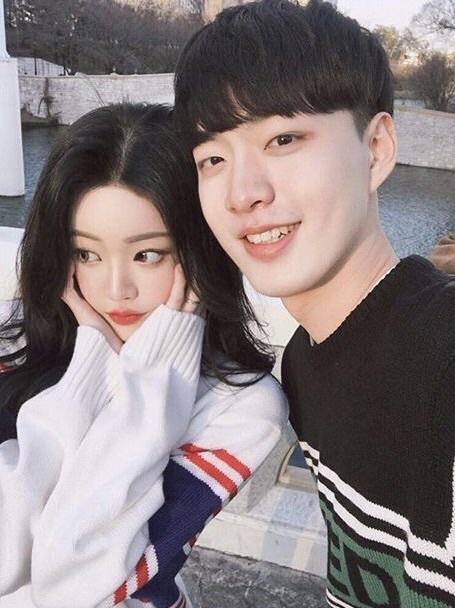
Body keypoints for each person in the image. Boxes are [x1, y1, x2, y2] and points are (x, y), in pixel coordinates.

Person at [173, 1, 455, 606]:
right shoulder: (304, 362)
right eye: (213, 158)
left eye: (283, 138)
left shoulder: (442, 358)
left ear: (376, 149)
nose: (244, 194)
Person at [0, 103, 288, 607]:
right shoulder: (15, 341)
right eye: (87, 254)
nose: (116, 289)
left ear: (201, 250)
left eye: (147, 254)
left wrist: (144, 387)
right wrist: (89, 372)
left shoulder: (238, 406)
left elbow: (75, 586)